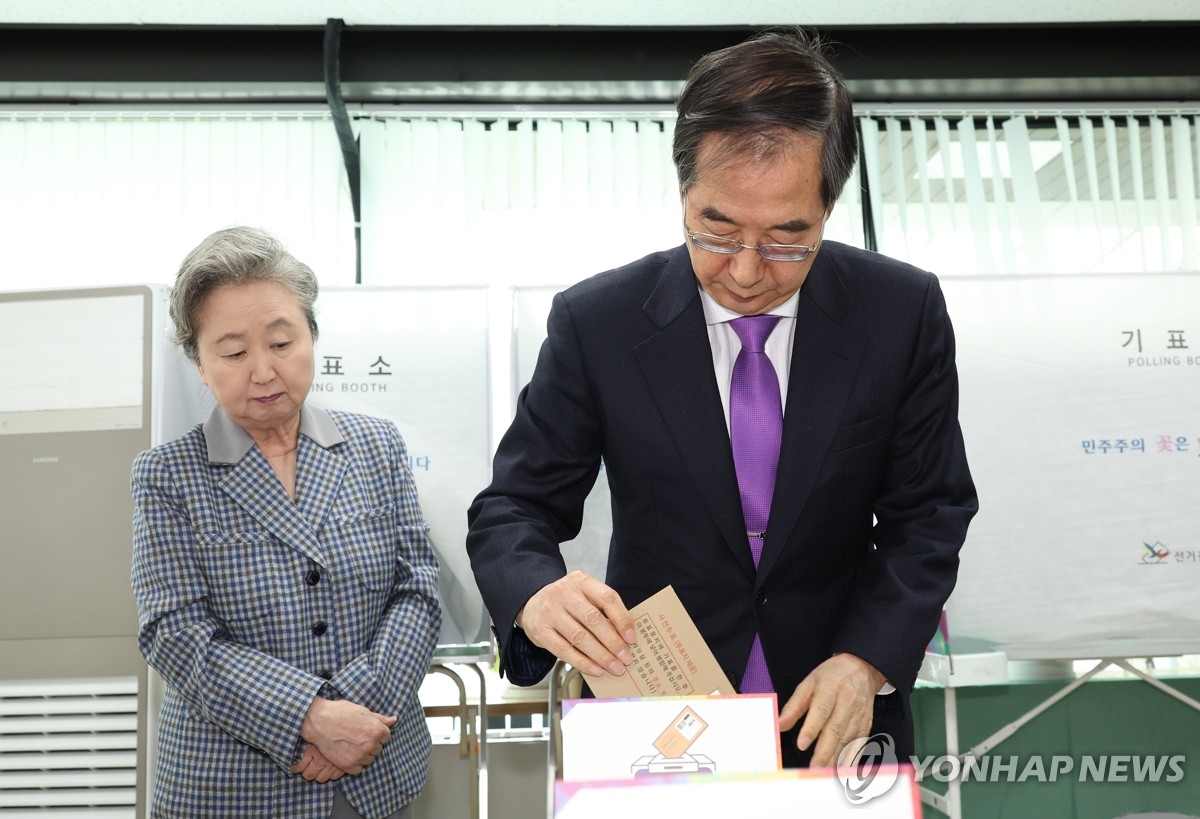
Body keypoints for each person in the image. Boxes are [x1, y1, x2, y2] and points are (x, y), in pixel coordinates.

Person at [466, 27, 977, 769]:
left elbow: (929, 512)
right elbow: (514, 505)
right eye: (716, 227)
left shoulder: (899, 313)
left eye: (785, 239)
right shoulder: (599, 322)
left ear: (829, 206)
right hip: (656, 712)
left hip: (837, 703)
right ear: (683, 192)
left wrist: (868, 658)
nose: (744, 270)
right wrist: (537, 592)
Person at [130, 227, 441, 818]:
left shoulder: (375, 446)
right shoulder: (168, 475)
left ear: (312, 336)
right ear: (199, 362)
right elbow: (174, 631)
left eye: (280, 341)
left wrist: (354, 715)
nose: (264, 370)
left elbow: (418, 588)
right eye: (233, 352)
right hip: (231, 787)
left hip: (372, 771)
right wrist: (310, 717)